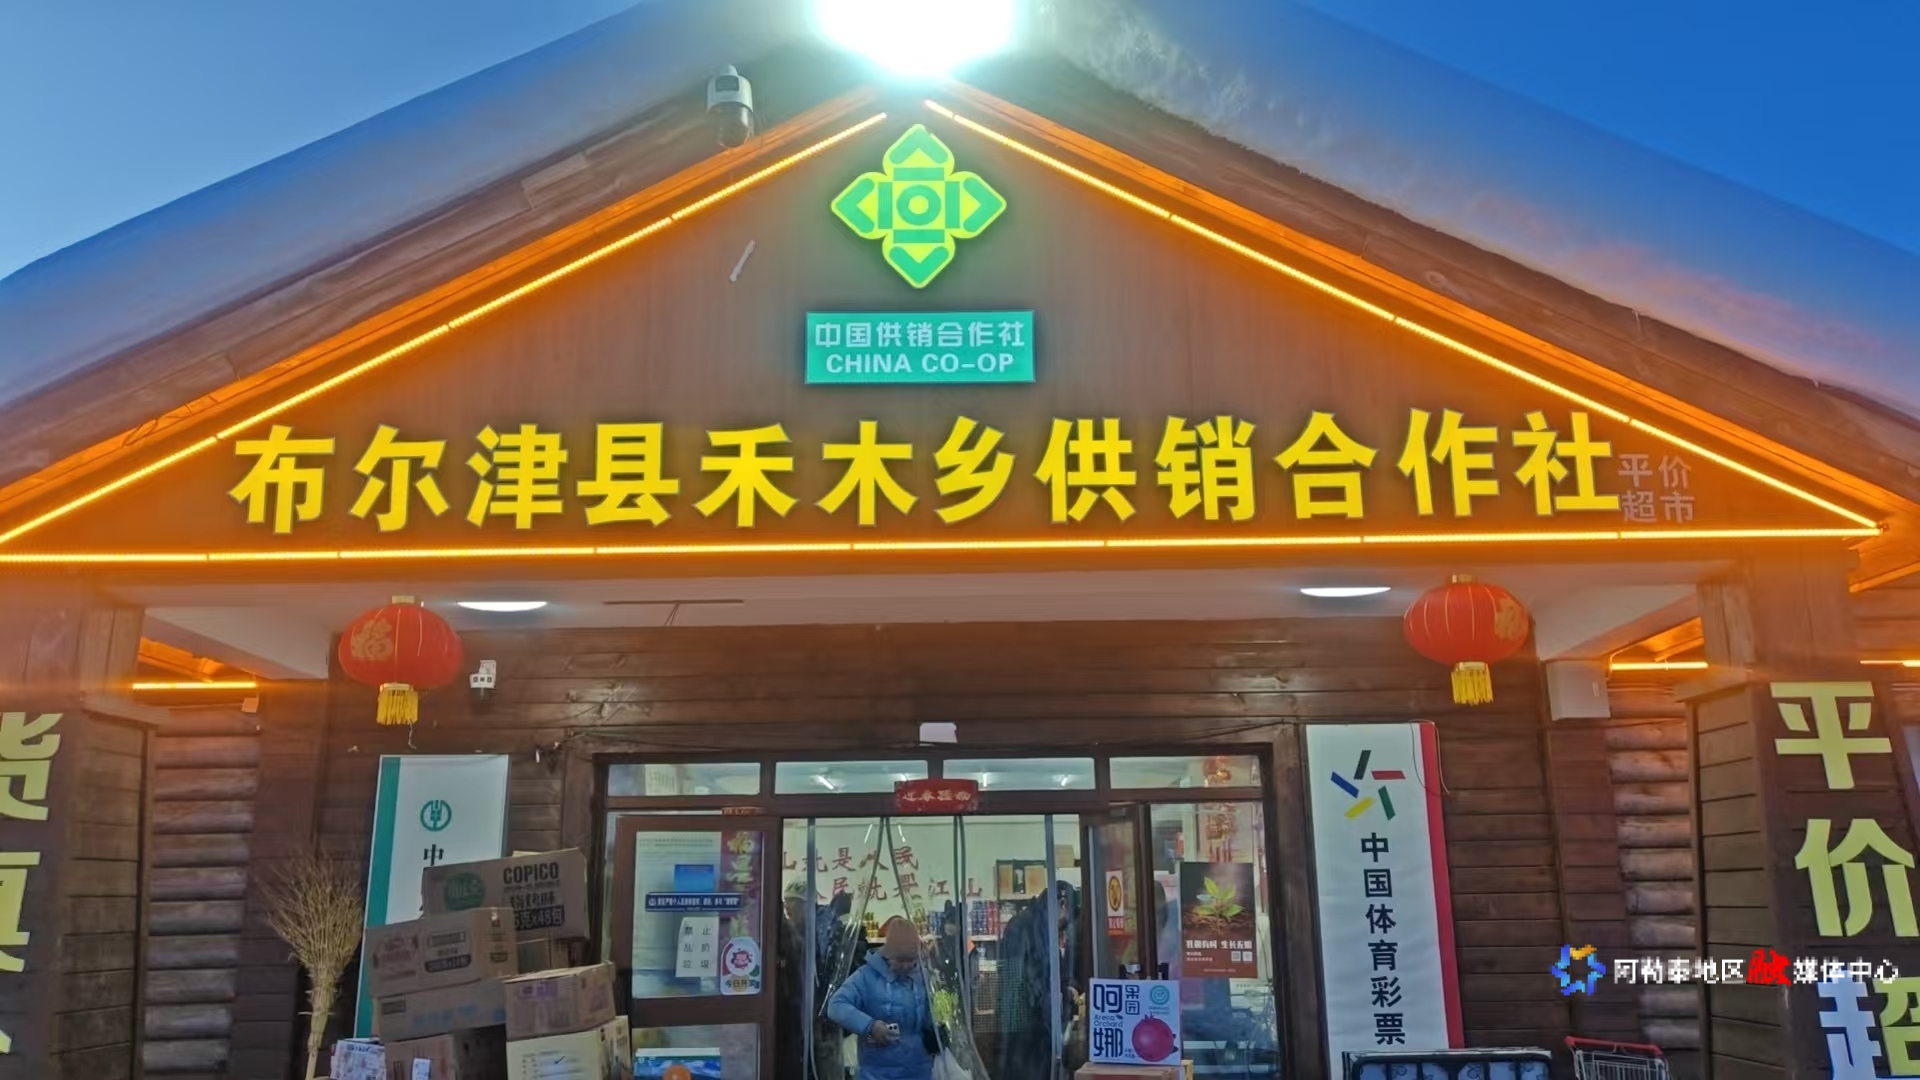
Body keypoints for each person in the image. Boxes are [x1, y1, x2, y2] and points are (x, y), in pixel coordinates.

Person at [826, 917, 938, 1080]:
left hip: (919, 1069)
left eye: (911, 959)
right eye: (900, 960)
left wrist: (935, 1032)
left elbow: (930, 1015)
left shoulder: (923, 977)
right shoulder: (865, 977)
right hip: (877, 1072)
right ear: (887, 954)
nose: (906, 965)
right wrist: (870, 1026)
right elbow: (836, 1006)